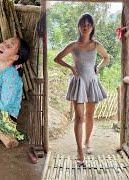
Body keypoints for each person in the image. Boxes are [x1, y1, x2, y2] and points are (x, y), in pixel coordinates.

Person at [54, 13, 109, 166]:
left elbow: (107, 58)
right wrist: (70, 67)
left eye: (88, 24)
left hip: (92, 82)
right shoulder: (74, 45)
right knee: (79, 117)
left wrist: (98, 67)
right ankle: (79, 151)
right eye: (83, 24)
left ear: (92, 28)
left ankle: (87, 140)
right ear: (78, 27)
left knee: (90, 114)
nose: (85, 27)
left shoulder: (96, 45)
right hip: (79, 83)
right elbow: (57, 58)